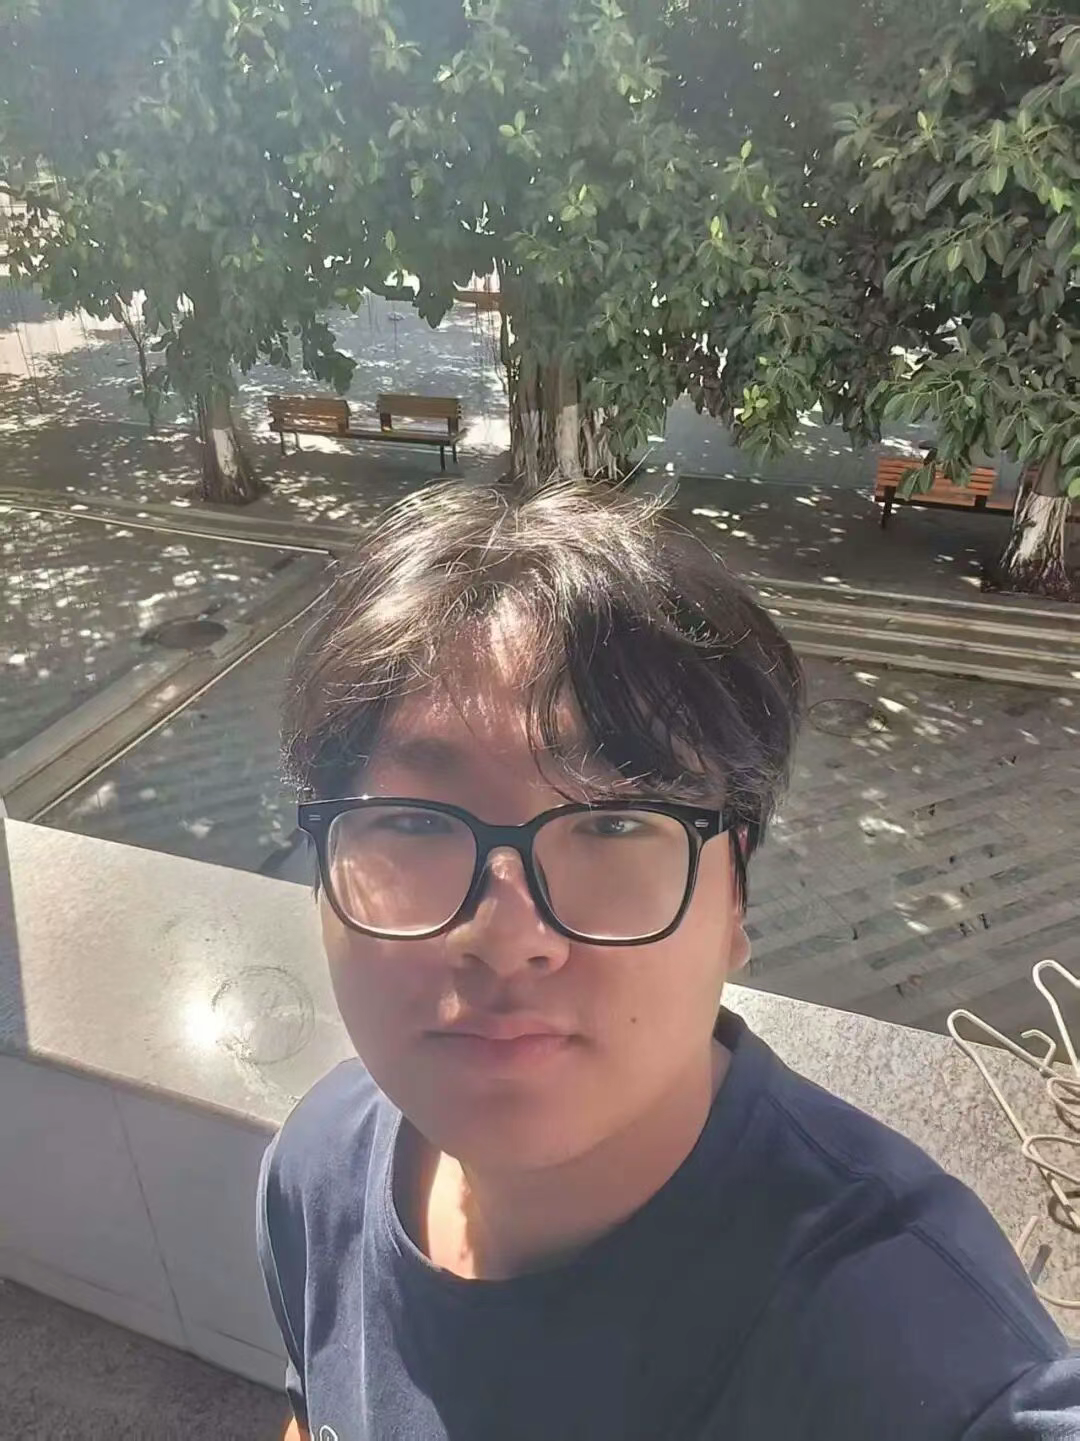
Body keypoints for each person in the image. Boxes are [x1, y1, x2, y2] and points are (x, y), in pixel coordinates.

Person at [257, 480, 1079, 1441]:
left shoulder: (915, 1353)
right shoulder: (317, 1169)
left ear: (735, 899)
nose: (508, 937)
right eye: (413, 822)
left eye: (613, 824)